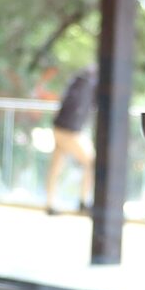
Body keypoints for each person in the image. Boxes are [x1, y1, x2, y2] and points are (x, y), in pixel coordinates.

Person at [45, 65, 96, 214]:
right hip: (70, 131)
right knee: (91, 162)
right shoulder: (90, 83)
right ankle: (83, 201)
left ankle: (50, 204)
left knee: (56, 167)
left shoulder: (78, 81)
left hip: (59, 127)